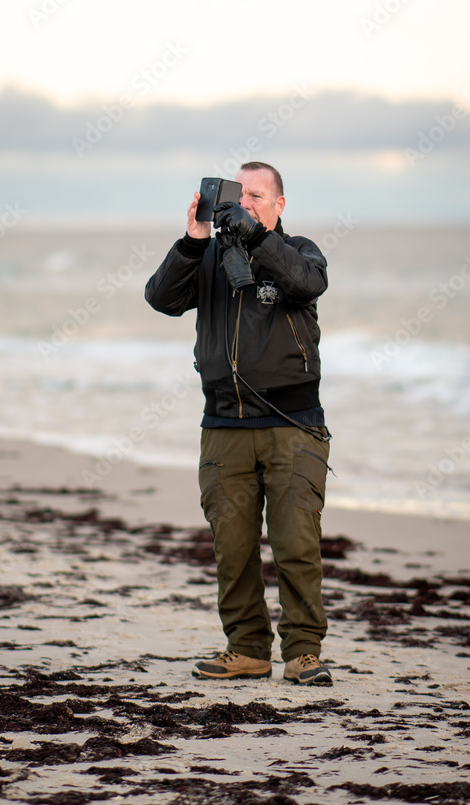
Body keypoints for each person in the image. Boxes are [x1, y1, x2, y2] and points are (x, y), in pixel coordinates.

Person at [144, 161, 332, 685]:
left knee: (297, 544)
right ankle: (247, 649)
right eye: (237, 194)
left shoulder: (299, 251)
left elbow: (307, 283)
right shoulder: (207, 258)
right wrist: (192, 240)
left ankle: (303, 653)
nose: (244, 203)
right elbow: (161, 299)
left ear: (279, 203)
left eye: (255, 195)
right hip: (223, 425)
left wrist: (255, 237)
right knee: (232, 548)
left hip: (292, 424)